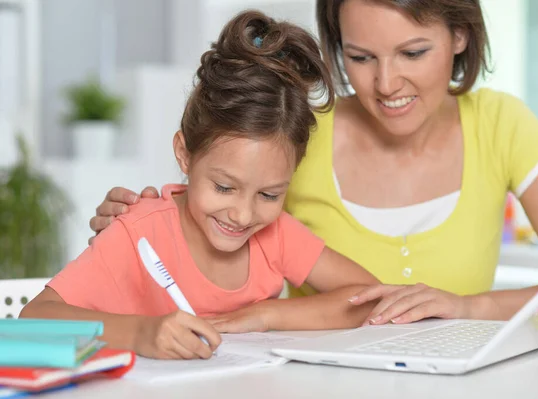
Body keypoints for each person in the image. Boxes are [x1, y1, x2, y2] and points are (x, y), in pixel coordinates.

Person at [89, 0, 538, 327]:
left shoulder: (500, 124)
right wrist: (139, 227)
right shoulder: (300, 136)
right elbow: (206, 227)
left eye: (413, 52)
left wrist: (470, 307)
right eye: (360, 57)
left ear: (460, 36)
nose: (385, 84)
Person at [20, 10, 380, 360]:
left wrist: (266, 314)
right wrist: (140, 333)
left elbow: (370, 297)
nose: (242, 214)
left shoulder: (277, 235)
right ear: (185, 154)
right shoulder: (138, 231)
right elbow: (35, 318)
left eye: (269, 194)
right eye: (224, 187)